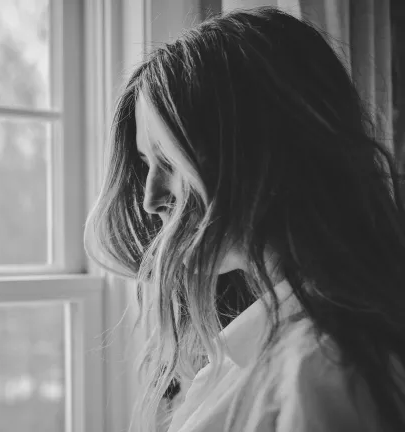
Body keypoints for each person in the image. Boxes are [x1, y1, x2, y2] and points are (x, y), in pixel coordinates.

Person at [85, 6, 405, 432]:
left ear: (259, 155)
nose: (150, 199)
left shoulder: (321, 371)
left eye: (170, 160)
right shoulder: (254, 353)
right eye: (147, 163)